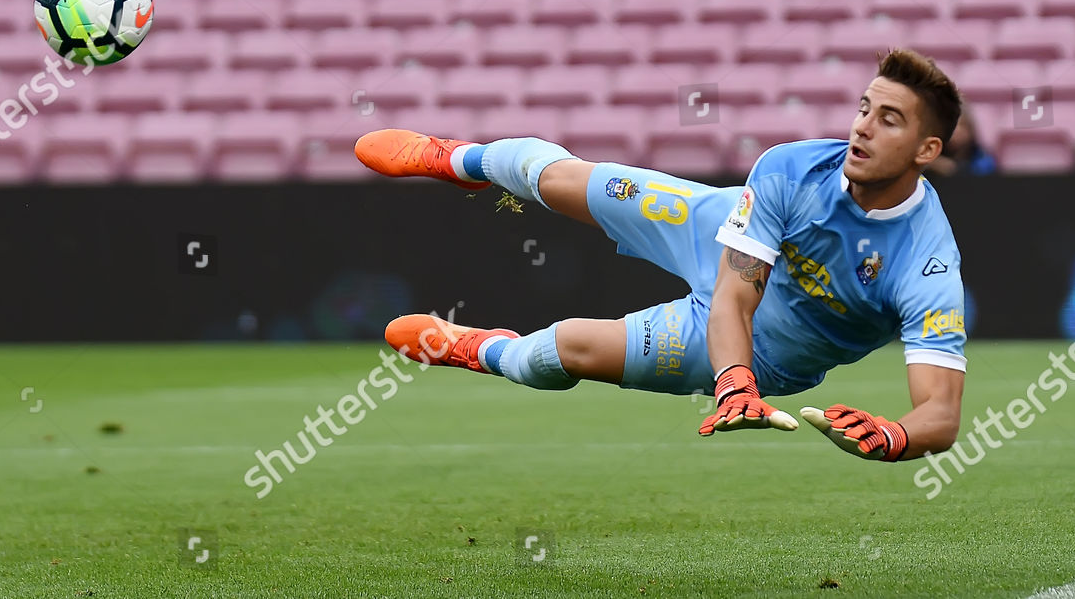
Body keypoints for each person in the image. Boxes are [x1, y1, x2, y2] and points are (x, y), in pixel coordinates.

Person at [355, 48, 967, 462]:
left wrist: (893, 436)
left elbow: (940, 413)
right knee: (567, 180)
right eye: (864, 108)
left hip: (769, 348)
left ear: (926, 149)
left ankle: (479, 348)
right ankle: (457, 160)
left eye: (889, 120)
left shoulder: (927, 262)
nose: (861, 127)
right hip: (721, 239)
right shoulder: (793, 167)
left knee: (566, 348)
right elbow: (734, 294)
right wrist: (734, 386)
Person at [927, 103, 997, 176]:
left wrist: (953, 169)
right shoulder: (934, 152)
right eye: (952, 126)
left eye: (962, 125)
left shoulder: (981, 156)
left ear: (970, 129)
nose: (957, 131)